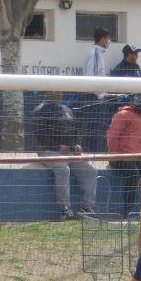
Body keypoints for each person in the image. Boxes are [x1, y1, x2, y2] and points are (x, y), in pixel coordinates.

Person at [30, 91, 98, 220]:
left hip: (69, 153)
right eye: (54, 91)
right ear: (46, 93)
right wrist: (57, 147)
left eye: (59, 91)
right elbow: (39, 135)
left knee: (90, 171)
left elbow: (76, 130)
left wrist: (77, 144)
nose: (57, 94)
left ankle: (87, 208)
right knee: (63, 169)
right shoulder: (40, 110)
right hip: (47, 151)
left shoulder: (66, 109)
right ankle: (65, 209)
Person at [105, 94, 141, 214]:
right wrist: (114, 156)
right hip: (121, 156)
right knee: (133, 174)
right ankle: (128, 210)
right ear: (132, 103)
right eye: (139, 102)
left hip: (139, 156)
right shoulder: (123, 115)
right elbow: (112, 137)